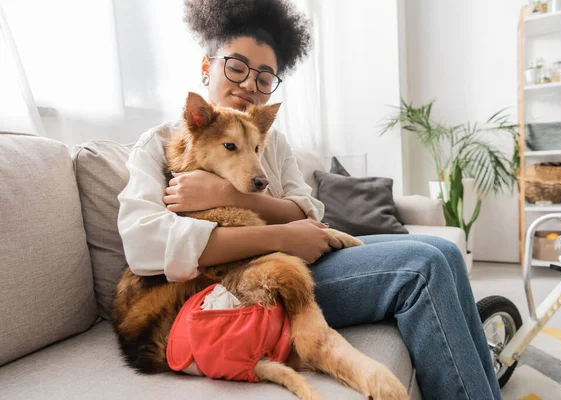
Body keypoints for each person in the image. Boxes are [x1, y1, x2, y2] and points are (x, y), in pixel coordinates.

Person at [117, 1, 502, 399]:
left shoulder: (272, 140)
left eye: (265, 77)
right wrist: (282, 237)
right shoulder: (158, 144)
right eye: (236, 67)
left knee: (444, 251)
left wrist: (231, 195)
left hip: (303, 248)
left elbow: (307, 210)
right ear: (206, 67)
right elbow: (144, 247)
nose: (249, 85)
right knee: (425, 267)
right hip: (244, 278)